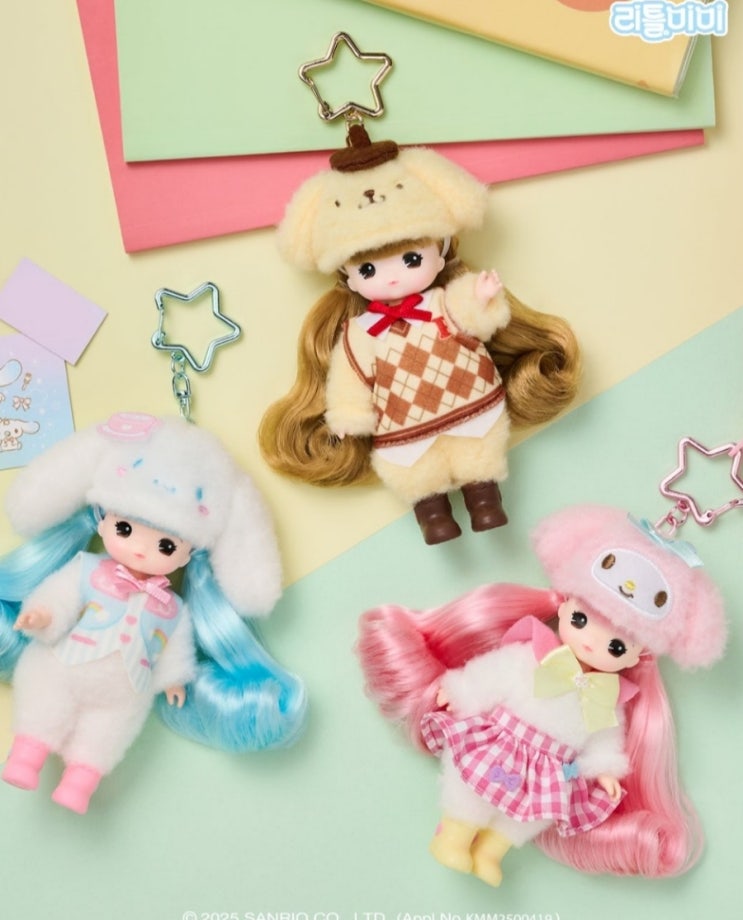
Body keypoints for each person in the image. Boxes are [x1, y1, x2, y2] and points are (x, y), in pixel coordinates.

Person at [357, 504, 726, 883]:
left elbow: (606, 737)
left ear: (638, 656)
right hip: (502, 743)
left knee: (532, 816)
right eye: (581, 620)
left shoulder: (607, 697)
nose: (591, 643)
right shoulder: (531, 656)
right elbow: (493, 674)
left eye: (616, 647)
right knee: (470, 791)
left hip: (551, 769)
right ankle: (452, 839)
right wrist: (460, 691)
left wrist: (604, 769)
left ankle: (490, 851)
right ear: (565, 607)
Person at [260, 126, 580, 544]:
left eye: (411, 259)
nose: (393, 277)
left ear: (441, 252)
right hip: (404, 424)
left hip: (468, 400)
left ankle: (486, 502)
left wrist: (482, 295)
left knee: (477, 455)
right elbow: (351, 378)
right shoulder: (361, 331)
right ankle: (433, 517)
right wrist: (350, 416)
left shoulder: (444, 301)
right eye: (369, 270)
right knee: (417, 472)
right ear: (349, 279)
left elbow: (474, 317)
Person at [0, 412, 307, 813]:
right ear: (104, 521)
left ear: (188, 554)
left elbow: (174, 648)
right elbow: (60, 596)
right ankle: (26, 758)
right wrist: (42, 614)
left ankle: (79, 783)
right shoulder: (88, 569)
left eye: (166, 546)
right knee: (44, 706)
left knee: (106, 735)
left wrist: (173, 680)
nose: (142, 550)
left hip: (124, 690)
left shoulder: (173, 608)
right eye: (125, 530)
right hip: (64, 663)